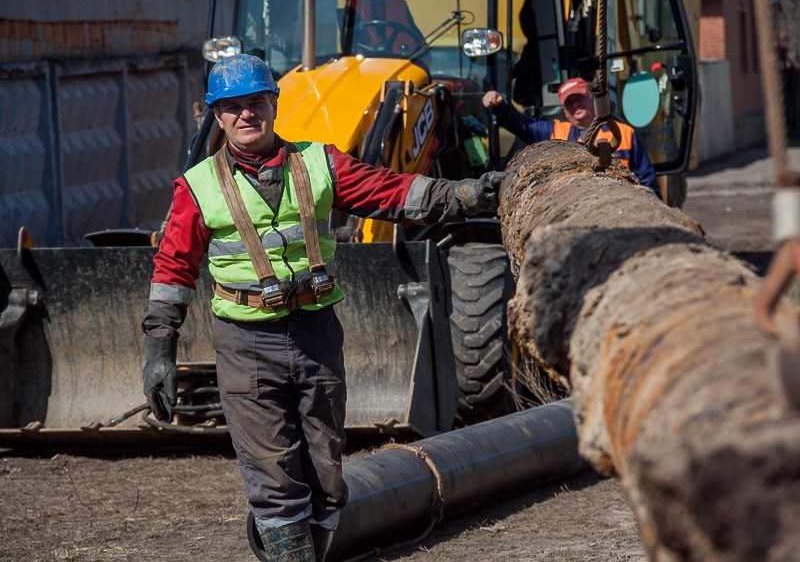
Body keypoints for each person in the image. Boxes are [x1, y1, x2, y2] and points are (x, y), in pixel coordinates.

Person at [140, 54, 501, 562]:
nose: (247, 115)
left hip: (316, 334)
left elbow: (390, 191)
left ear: (274, 103)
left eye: (257, 103)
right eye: (234, 107)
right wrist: (160, 348)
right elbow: (172, 269)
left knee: (326, 471)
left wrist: (461, 194)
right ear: (217, 116)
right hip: (247, 346)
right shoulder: (196, 187)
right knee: (273, 471)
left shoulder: (319, 162)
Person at [483, 77, 661, 197]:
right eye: (569, 102)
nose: (575, 104)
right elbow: (520, 123)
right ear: (565, 112)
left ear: (592, 99)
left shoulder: (623, 133)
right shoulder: (554, 133)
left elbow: (646, 178)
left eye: (579, 98)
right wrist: (500, 104)